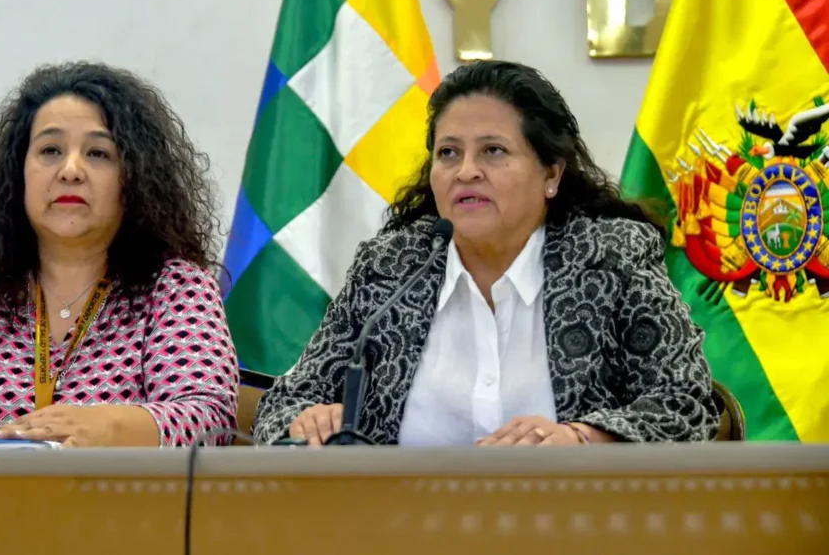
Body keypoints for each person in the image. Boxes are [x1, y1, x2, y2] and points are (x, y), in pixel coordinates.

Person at [252, 60, 720, 447]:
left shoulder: (612, 259)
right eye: (449, 153)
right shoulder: (390, 270)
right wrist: (308, 420)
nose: (467, 172)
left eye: (493, 151)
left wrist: (584, 439)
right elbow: (281, 405)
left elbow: (689, 403)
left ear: (551, 174)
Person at [0, 62, 238, 448]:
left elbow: (210, 420)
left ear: (135, 177)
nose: (71, 170)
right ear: (18, 173)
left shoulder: (174, 287)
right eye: (50, 150)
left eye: (97, 153)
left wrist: (107, 428)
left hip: (117, 506)